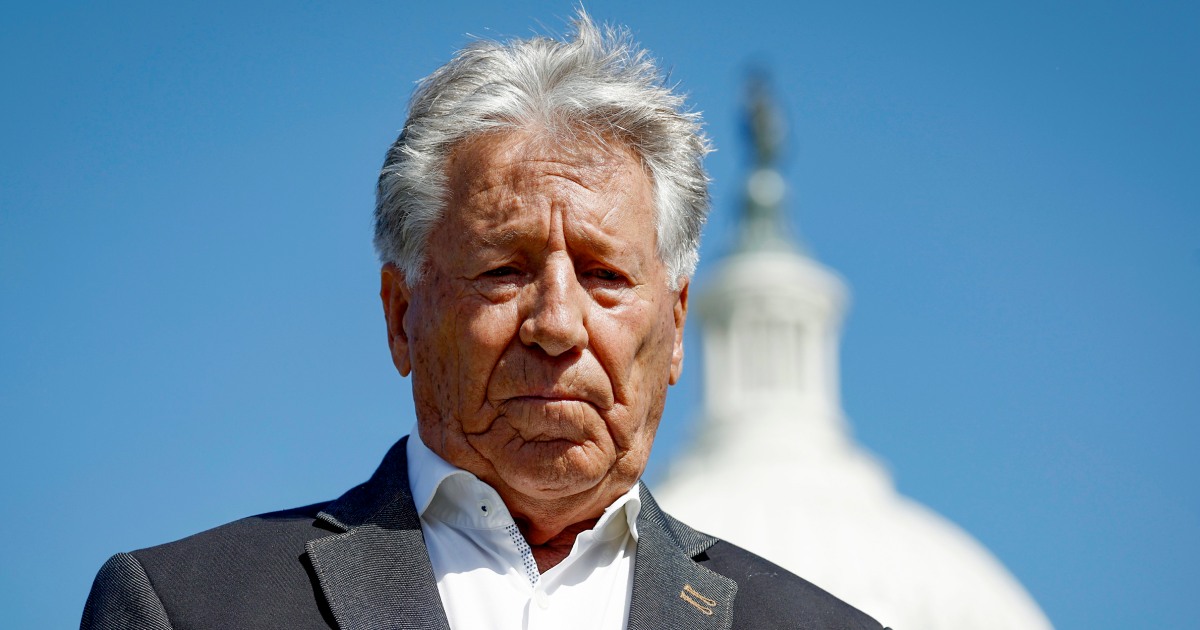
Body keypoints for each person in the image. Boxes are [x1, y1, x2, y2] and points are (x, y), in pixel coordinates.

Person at [82, 12, 887, 630]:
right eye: (504, 271)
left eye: (606, 276)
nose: (558, 323)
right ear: (402, 314)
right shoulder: (191, 608)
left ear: (675, 328)